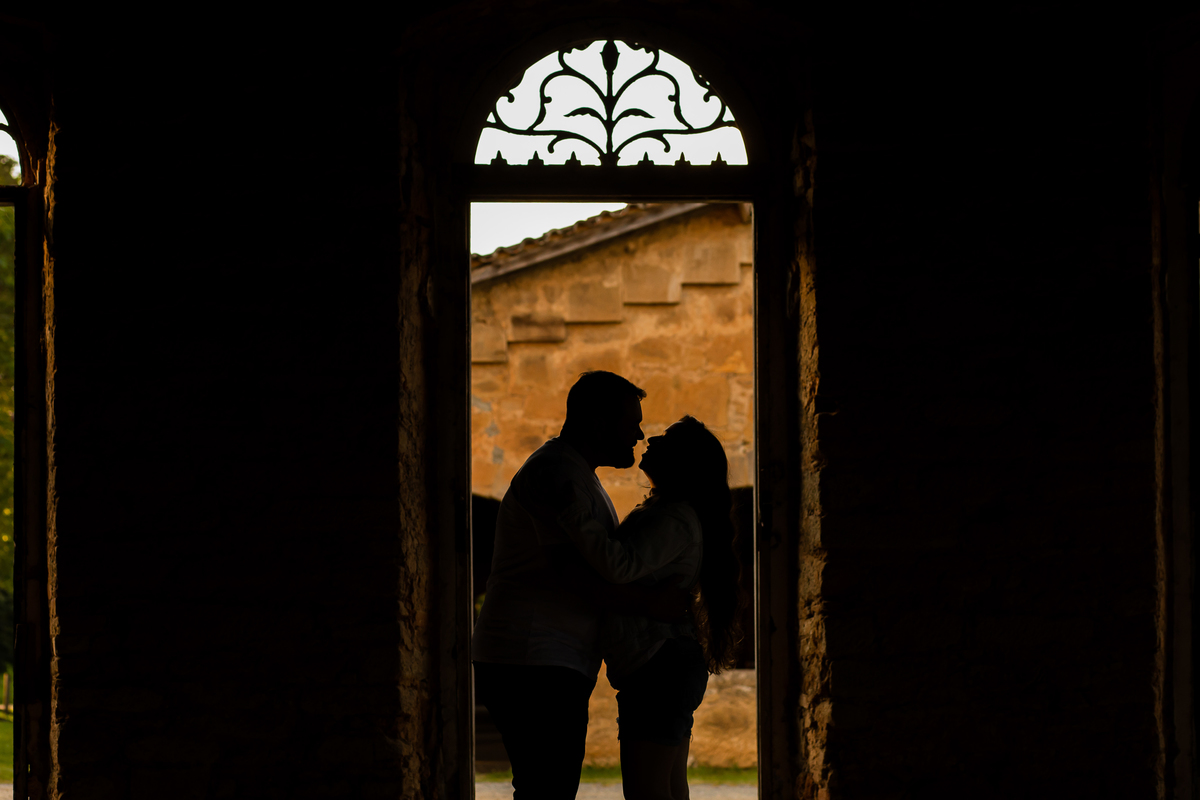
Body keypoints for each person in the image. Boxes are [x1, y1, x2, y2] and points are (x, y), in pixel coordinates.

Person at [472, 371, 688, 800]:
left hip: (549, 659)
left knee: (548, 787)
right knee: (547, 789)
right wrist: (653, 605)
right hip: (533, 659)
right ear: (598, 424)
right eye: (631, 424)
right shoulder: (556, 474)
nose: (640, 435)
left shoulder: (577, 474)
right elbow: (573, 576)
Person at [554, 416, 745, 800]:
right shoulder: (670, 513)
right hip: (665, 668)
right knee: (668, 787)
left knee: (647, 791)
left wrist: (571, 515)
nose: (651, 438)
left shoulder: (674, 518)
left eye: (667, 439)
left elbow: (619, 565)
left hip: (659, 668)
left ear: (681, 462)